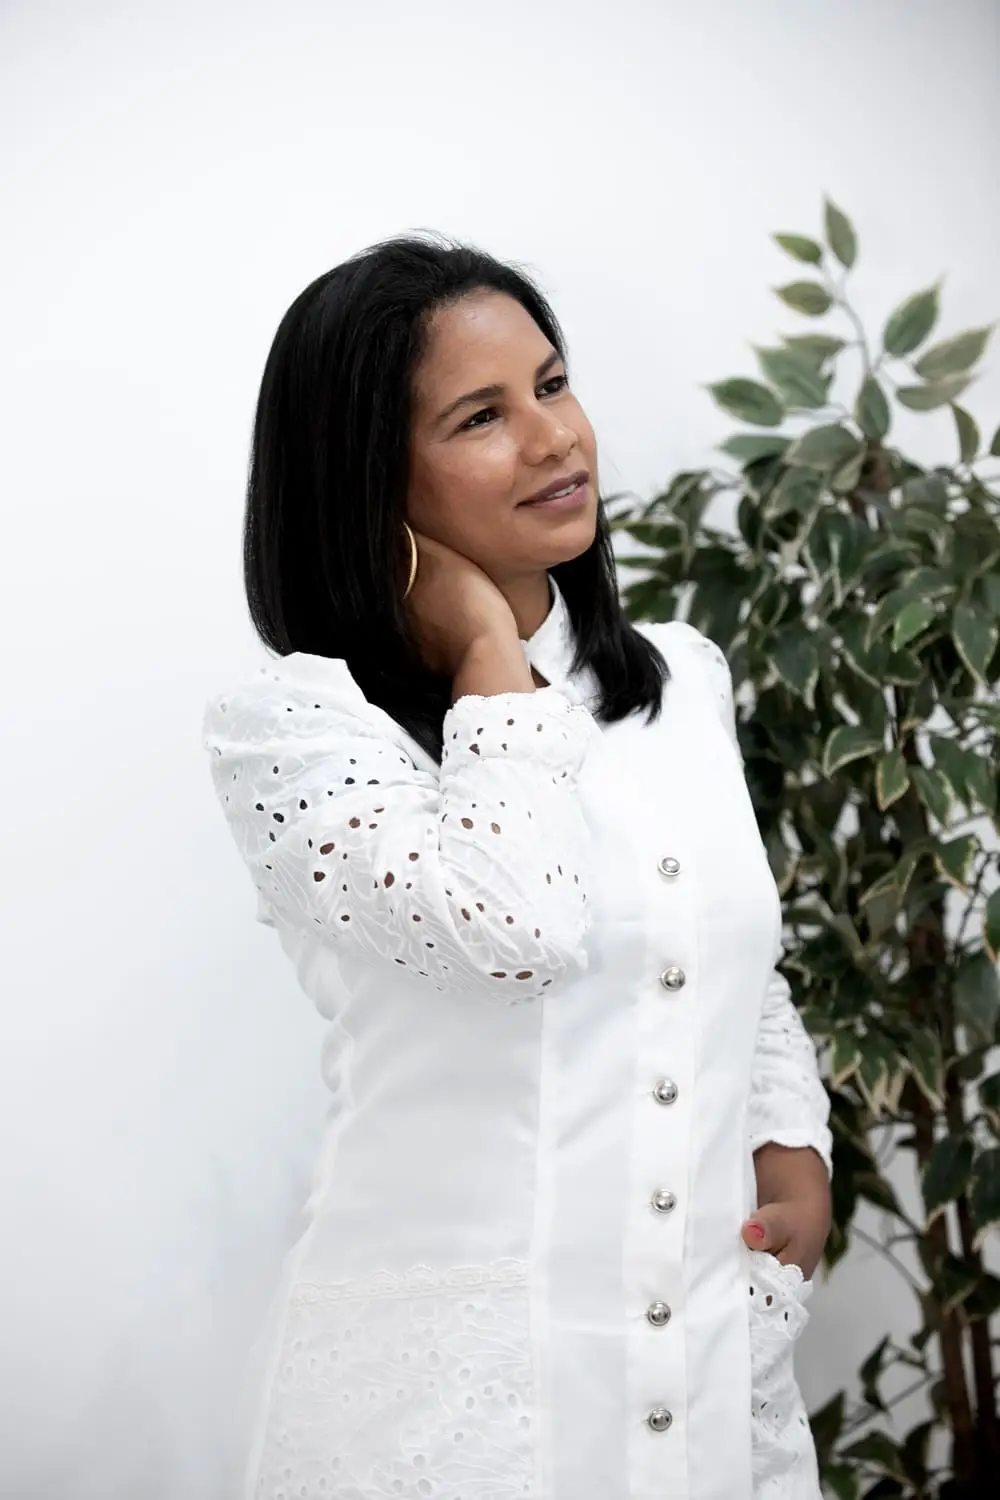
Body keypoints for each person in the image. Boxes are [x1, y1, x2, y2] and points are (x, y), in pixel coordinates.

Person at [202, 236, 833, 1500]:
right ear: (367, 473)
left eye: (551, 384)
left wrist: (790, 1141)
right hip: (454, 1411)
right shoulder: (297, 732)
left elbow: (723, 945)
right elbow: (513, 930)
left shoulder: (681, 677)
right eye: (481, 416)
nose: (555, 439)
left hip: (703, 1376)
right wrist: (488, 651)